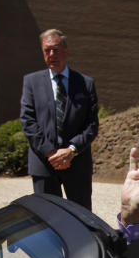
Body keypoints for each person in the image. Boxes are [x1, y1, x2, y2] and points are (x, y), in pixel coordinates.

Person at [20, 29, 99, 208]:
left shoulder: (85, 84)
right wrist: (50, 152)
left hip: (77, 162)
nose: (51, 55)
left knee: (81, 217)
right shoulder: (31, 82)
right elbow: (28, 121)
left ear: (66, 50)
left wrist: (71, 150)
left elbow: (92, 125)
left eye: (55, 49)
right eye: (47, 51)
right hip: (44, 163)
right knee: (47, 218)